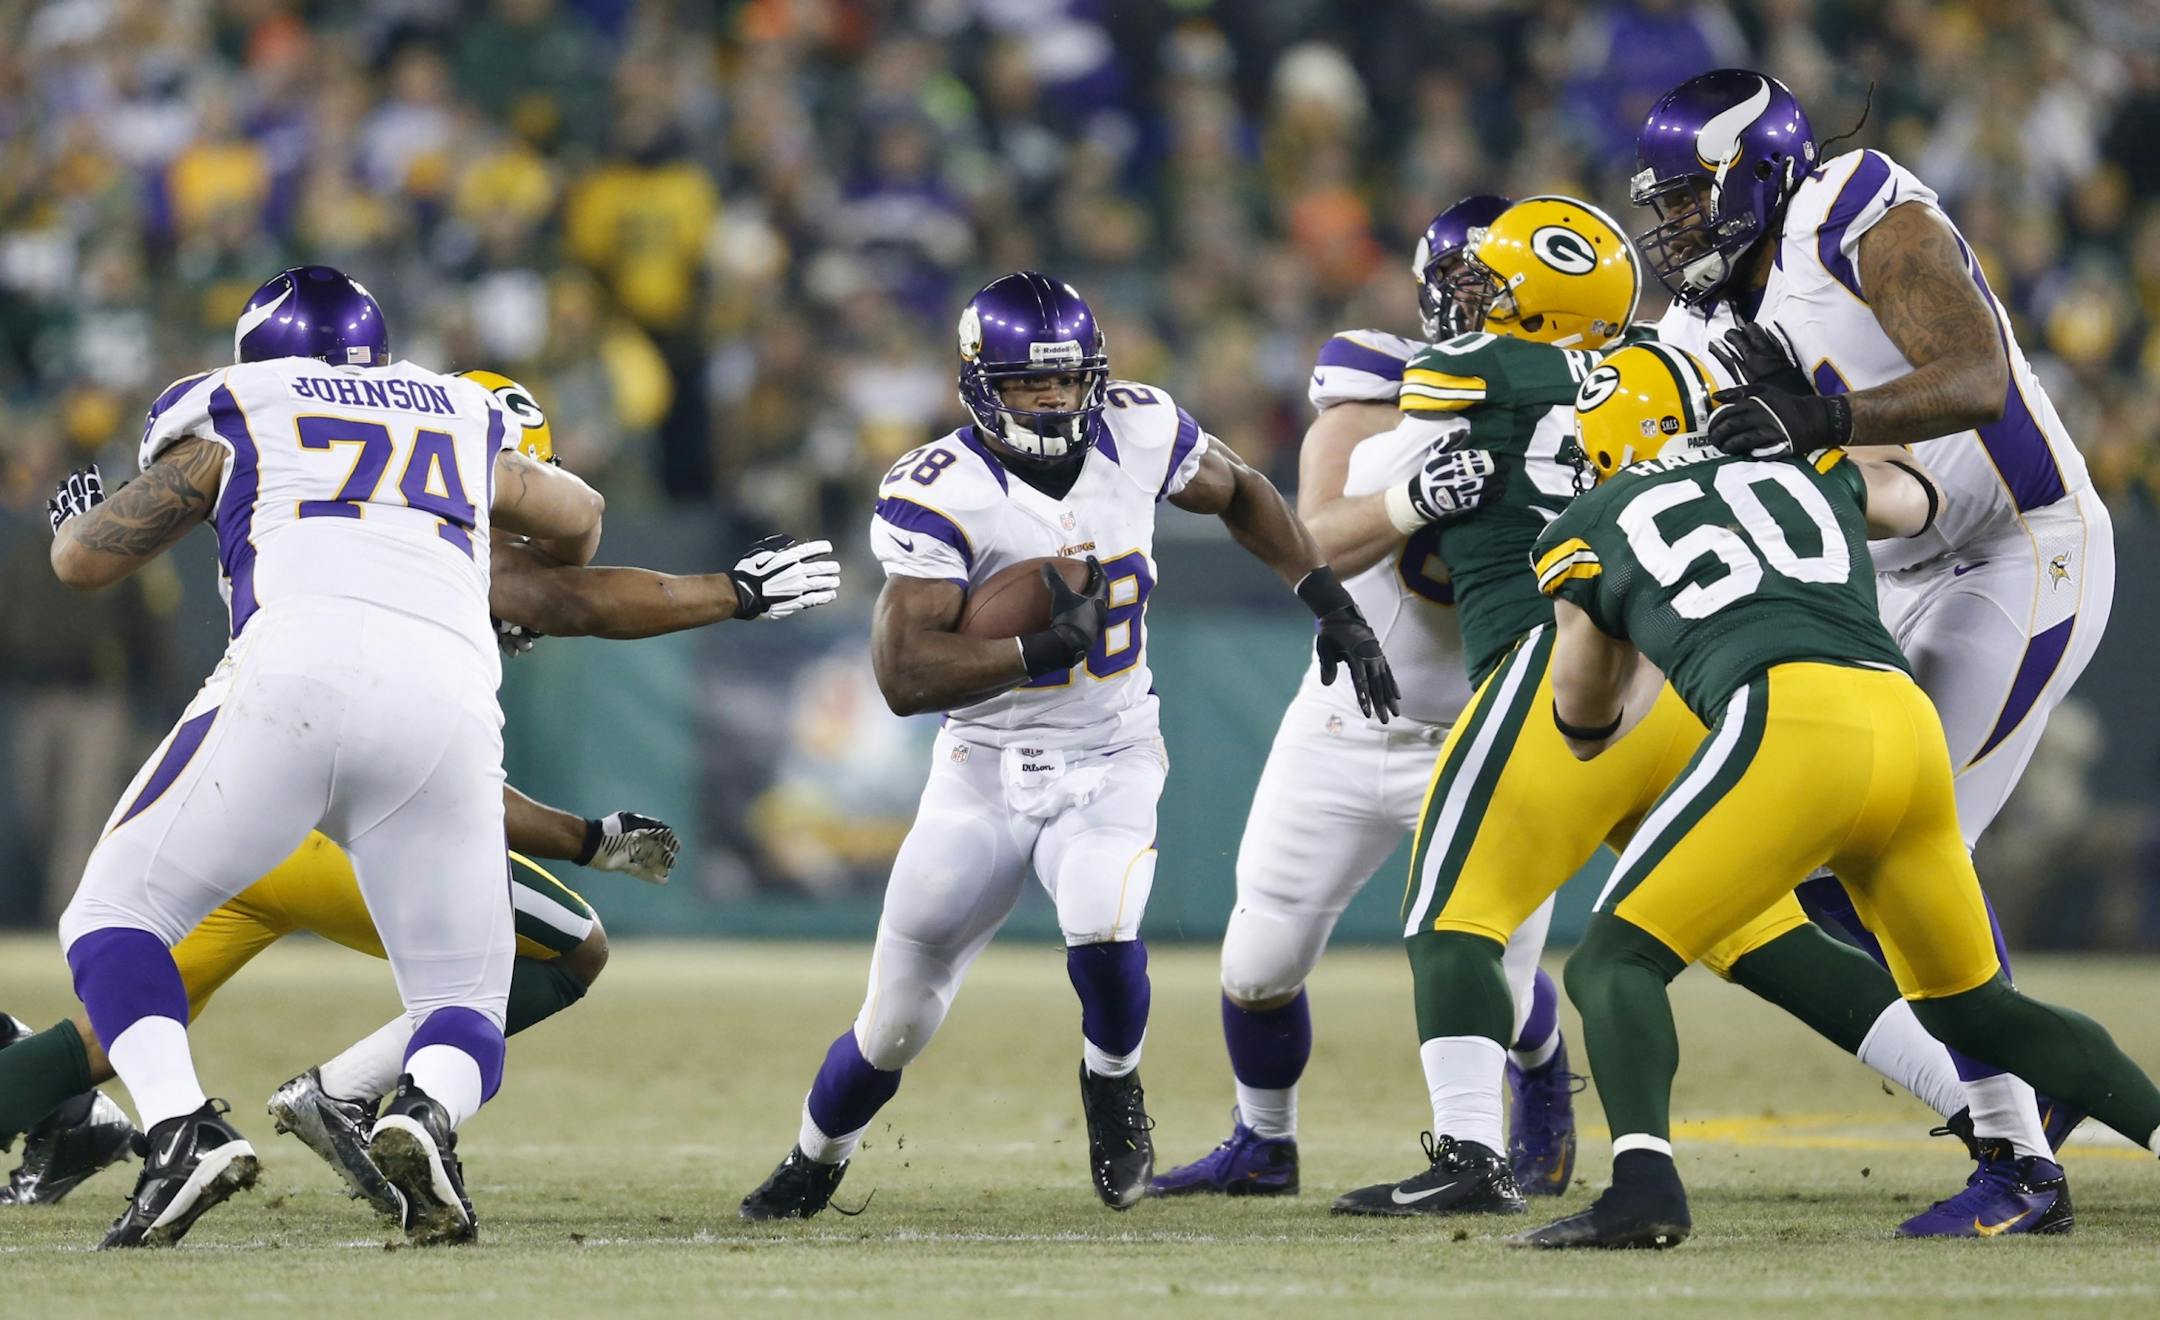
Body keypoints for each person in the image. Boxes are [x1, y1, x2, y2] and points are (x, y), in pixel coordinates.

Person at [12, 370, 838, 1218]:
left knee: (124, 1016)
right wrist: (730, 595)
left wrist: (586, 834)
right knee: (564, 948)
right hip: (325, 823)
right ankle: (346, 1094)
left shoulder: (330, 490)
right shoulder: (427, 533)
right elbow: (567, 600)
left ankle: (59, 1104)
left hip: (256, 803)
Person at [1331, 200, 1976, 1219]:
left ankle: (1470, 1153)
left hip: (1562, 656)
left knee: (1452, 914)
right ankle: (1977, 1103)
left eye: (1499, 286)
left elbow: (1404, 461)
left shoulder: (1476, 368)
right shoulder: (1681, 365)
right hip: (1682, 676)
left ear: (1546, 303)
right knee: (1760, 932)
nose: (1475, 299)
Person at [738, 270, 1398, 1218]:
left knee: (1104, 924)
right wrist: (1037, 646)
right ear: (977, 382)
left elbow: (1244, 490)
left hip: (1111, 753)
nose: (1051, 400)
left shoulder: (1137, 426)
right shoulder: (941, 488)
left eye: (1065, 380)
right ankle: (814, 1157)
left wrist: (1325, 597)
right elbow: (903, 676)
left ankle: (1113, 1083)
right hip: (983, 770)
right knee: (892, 1021)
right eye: (1024, 383)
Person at [1518, 343, 2160, 1249]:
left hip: (1791, 723)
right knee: (1973, 1007)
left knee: (1611, 964)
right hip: (1903, 722)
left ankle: (1643, 1191)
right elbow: (1921, 497)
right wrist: (1811, 426)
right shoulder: (1803, 464)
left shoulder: (1589, 520)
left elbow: (1583, 714)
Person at [1633, 68, 2113, 1235]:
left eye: (1695, 196)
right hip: (1891, 564)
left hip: (2017, 547)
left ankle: (2020, 1149)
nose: (1677, 225)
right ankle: (2026, 1095)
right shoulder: (1700, 320)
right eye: (1667, 205)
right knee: (1821, 865)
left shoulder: (1847, 204)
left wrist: (1821, 419)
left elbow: (1976, 376)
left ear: (1757, 170)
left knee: (1896, 842)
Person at [45, 266, 605, 1249]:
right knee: (466, 999)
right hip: (450, 699)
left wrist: (67, 524)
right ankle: (423, 1111)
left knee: (109, 915)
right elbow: (580, 518)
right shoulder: (455, 406)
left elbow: (92, 560)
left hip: (293, 677)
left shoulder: (241, 400)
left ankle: (180, 1127)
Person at [1153, 196, 1578, 1201]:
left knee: (1498, 986)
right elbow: (1311, 540)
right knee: (1258, 961)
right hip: (1351, 721)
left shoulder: (1594, 399)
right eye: (1469, 283)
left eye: (1502, 284)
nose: (1482, 304)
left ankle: (1539, 1073)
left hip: (1490, 729)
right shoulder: (1379, 379)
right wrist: (1409, 499)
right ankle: (1265, 1143)